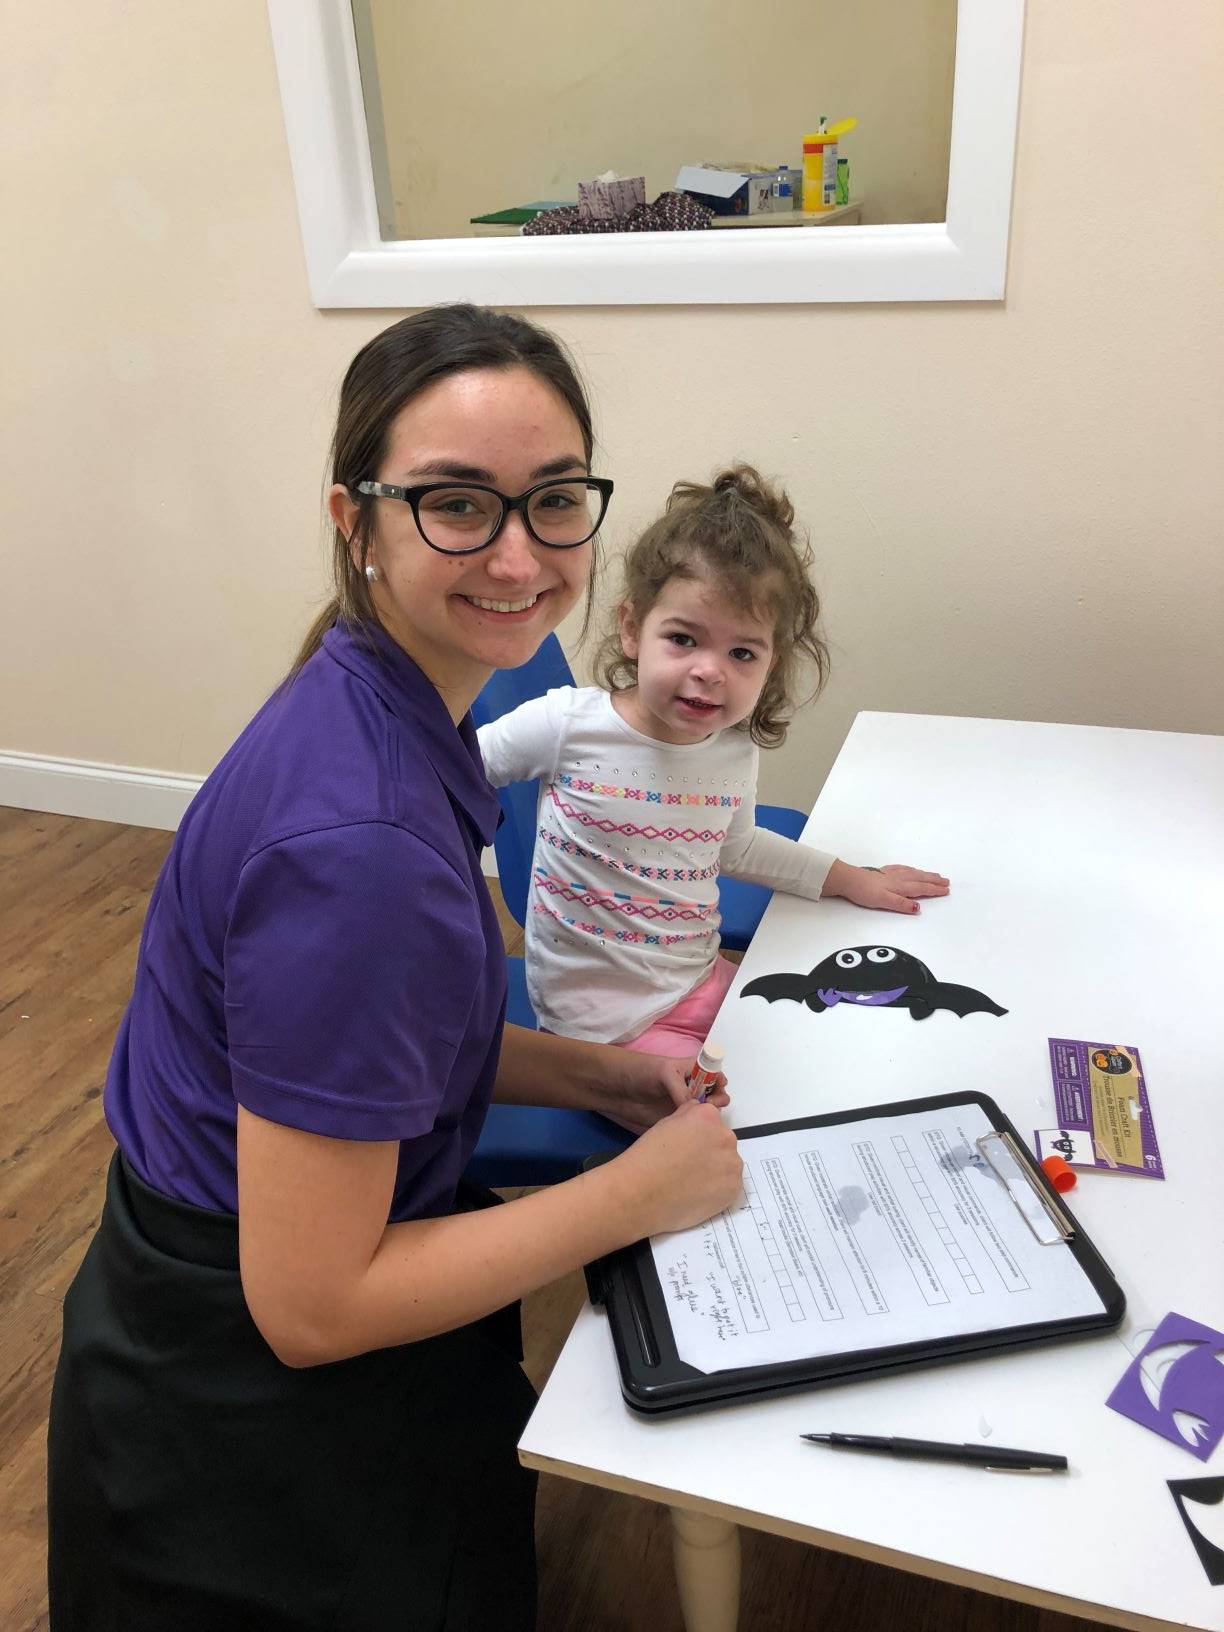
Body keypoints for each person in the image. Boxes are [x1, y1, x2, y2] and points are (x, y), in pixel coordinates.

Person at [46, 305, 742, 1632]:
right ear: (355, 518)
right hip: (251, 1423)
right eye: (456, 505)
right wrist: (638, 1195)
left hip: (208, 1327)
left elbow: (393, 1038)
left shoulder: (376, 695)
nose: (520, 554)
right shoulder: (359, 851)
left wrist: (593, 1073)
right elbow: (313, 1304)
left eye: (554, 502)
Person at [477, 466, 949, 1058]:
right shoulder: (569, 726)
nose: (710, 669)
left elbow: (738, 848)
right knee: (732, 1113)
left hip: (694, 979)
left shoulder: (731, 749)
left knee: (826, 1035)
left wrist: (854, 880)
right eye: (683, 639)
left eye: (742, 652)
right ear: (632, 628)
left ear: (771, 666)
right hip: (597, 1023)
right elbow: (454, 767)